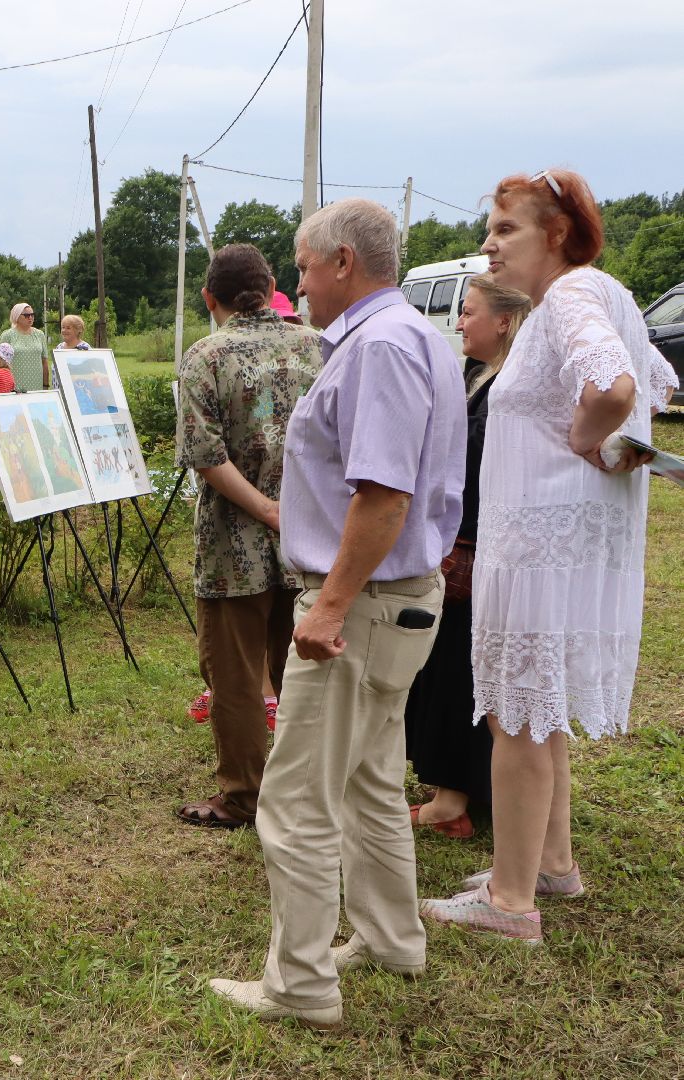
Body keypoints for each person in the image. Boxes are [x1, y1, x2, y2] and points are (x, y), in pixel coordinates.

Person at [206, 199, 466, 1028]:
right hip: (394, 603)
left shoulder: (381, 347)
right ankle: (393, 938)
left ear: (345, 263)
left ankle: (301, 985)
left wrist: (331, 608)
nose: (298, 286)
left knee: (296, 800)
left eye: (306, 268)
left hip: (362, 606)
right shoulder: (417, 335)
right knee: (368, 781)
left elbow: (383, 493)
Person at [421, 169, 677, 943]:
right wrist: (608, 436)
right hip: (562, 544)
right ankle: (551, 866)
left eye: (505, 230)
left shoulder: (567, 297)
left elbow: (622, 385)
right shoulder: (602, 293)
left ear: (555, 235)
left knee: (515, 720)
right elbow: (662, 384)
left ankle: (508, 901)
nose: (488, 246)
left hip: (539, 543)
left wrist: (585, 434)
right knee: (538, 711)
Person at [174, 244, 321, 830]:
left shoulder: (206, 356)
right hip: (311, 539)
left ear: (211, 299)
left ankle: (243, 795)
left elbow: (206, 457)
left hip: (233, 548)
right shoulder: (317, 346)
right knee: (303, 670)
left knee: (233, 675)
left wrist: (265, 509)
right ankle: (307, 788)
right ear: (272, 285)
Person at [405, 275, 532, 840]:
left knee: (461, 670)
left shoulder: (514, 387)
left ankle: (453, 798)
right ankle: (457, 788)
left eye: (471, 312)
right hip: (464, 538)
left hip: (482, 547)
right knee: (448, 667)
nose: (459, 322)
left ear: (504, 322)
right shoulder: (477, 375)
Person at [0, 302, 50, 390]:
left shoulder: (40, 334)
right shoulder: (7, 335)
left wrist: (45, 385)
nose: (30, 317)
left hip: (36, 385)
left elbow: (44, 361)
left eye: (32, 315)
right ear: (17, 317)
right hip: (14, 386)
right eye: (26, 315)